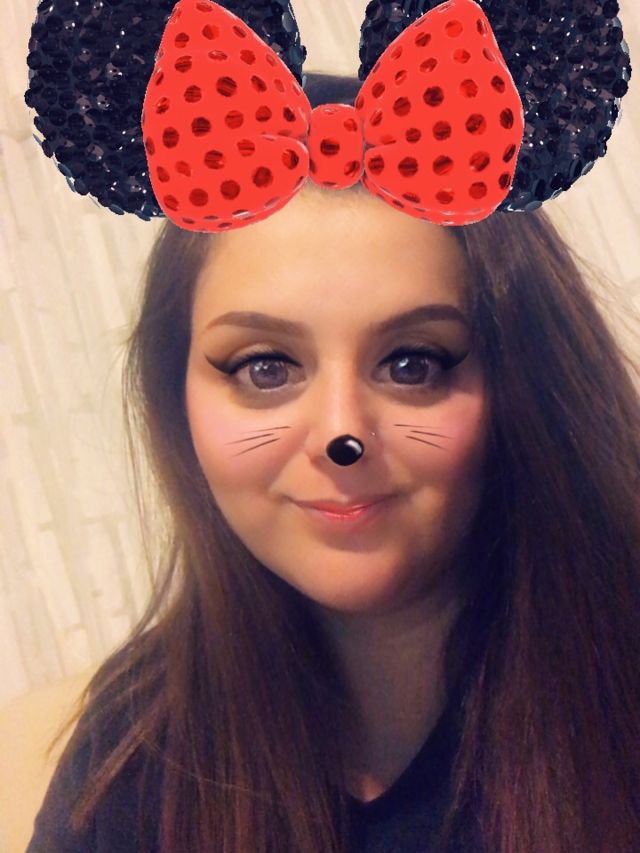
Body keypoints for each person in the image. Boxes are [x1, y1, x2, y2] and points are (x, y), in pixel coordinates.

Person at [26, 71, 640, 853]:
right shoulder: (133, 753)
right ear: (175, 397)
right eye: (265, 367)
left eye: (413, 363)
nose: (342, 434)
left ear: (522, 380)